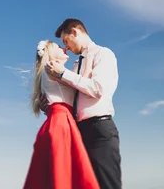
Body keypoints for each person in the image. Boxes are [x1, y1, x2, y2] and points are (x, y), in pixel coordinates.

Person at [43, 18, 122, 189]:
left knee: (107, 184)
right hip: (79, 132)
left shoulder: (103, 54)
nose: (66, 47)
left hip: (99, 130)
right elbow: (71, 96)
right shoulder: (76, 65)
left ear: (74, 31)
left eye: (66, 41)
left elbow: (97, 89)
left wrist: (63, 74)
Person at [23, 40, 100, 189]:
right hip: (61, 123)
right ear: (50, 52)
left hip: (59, 121)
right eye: (59, 47)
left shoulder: (50, 71)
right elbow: (82, 84)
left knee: (59, 173)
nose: (64, 48)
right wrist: (89, 57)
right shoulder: (52, 68)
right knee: (64, 172)